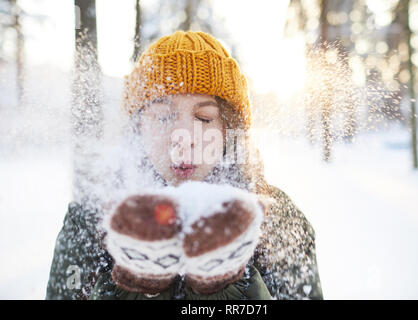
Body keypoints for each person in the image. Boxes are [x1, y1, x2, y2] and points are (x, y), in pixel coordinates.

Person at [46, 30, 323, 300]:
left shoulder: (273, 218)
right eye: (164, 116)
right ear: (138, 128)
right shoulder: (91, 218)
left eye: (204, 118)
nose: (185, 138)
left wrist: (231, 290)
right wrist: (131, 291)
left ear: (229, 129)